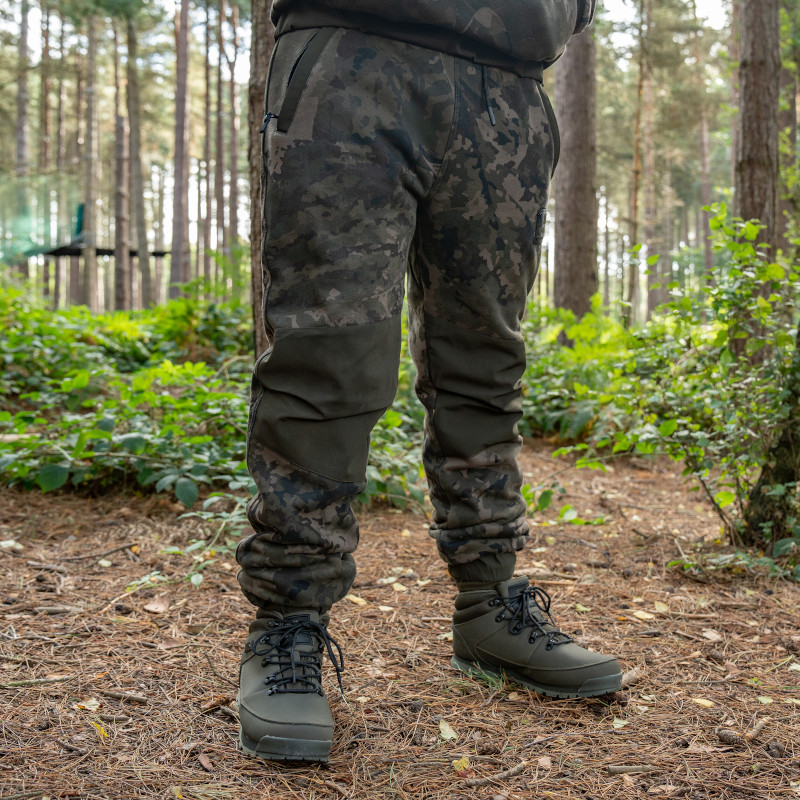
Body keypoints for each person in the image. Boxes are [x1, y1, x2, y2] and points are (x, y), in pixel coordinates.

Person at [236, 0, 621, 764]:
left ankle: (490, 604)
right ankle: (287, 623)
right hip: (354, 55)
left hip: (508, 84)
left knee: (486, 358)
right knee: (330, 354)